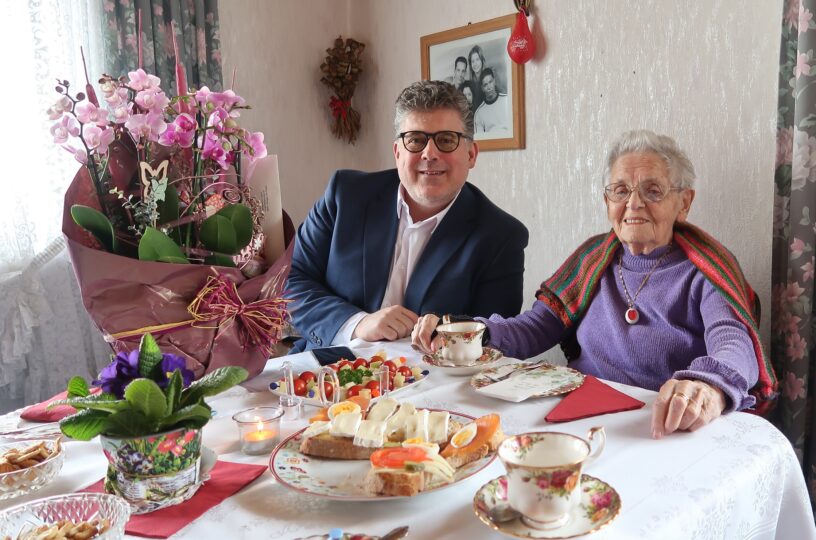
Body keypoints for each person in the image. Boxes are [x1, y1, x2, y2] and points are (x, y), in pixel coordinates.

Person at [413, 129, 777, 437]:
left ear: (683, 203)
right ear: (607, 201)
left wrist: (707, 386)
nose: (633, 204)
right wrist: (471, 332)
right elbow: (535, 328)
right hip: (579, 421)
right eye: (620, 191)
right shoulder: (592, 260)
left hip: (660, 427)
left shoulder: (706, 269)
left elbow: (733, 340)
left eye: (652, 191)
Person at [287, 80, 529, 352]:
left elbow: (494, 338)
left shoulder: (501, 236)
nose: (429, 154)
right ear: (397, 152)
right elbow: (290, 278)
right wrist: (356, 324)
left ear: (471, 155)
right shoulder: (345, 196)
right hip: (323, 372)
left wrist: (449, 334)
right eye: (415, 140)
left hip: (431, 386)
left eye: (446, 140)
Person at [473, 68, 509, 133]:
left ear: (494, 81)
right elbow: (479, 141)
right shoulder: (479, 113)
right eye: (485, 85)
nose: (489, 87)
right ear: (482, 88)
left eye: (490, 82)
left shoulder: (507, 100)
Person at [467, 45, 487, 110]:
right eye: (472, 61)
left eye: (477, 59)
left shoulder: (488, 78)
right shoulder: (470, 84)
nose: (475, 64)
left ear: (482, 60)